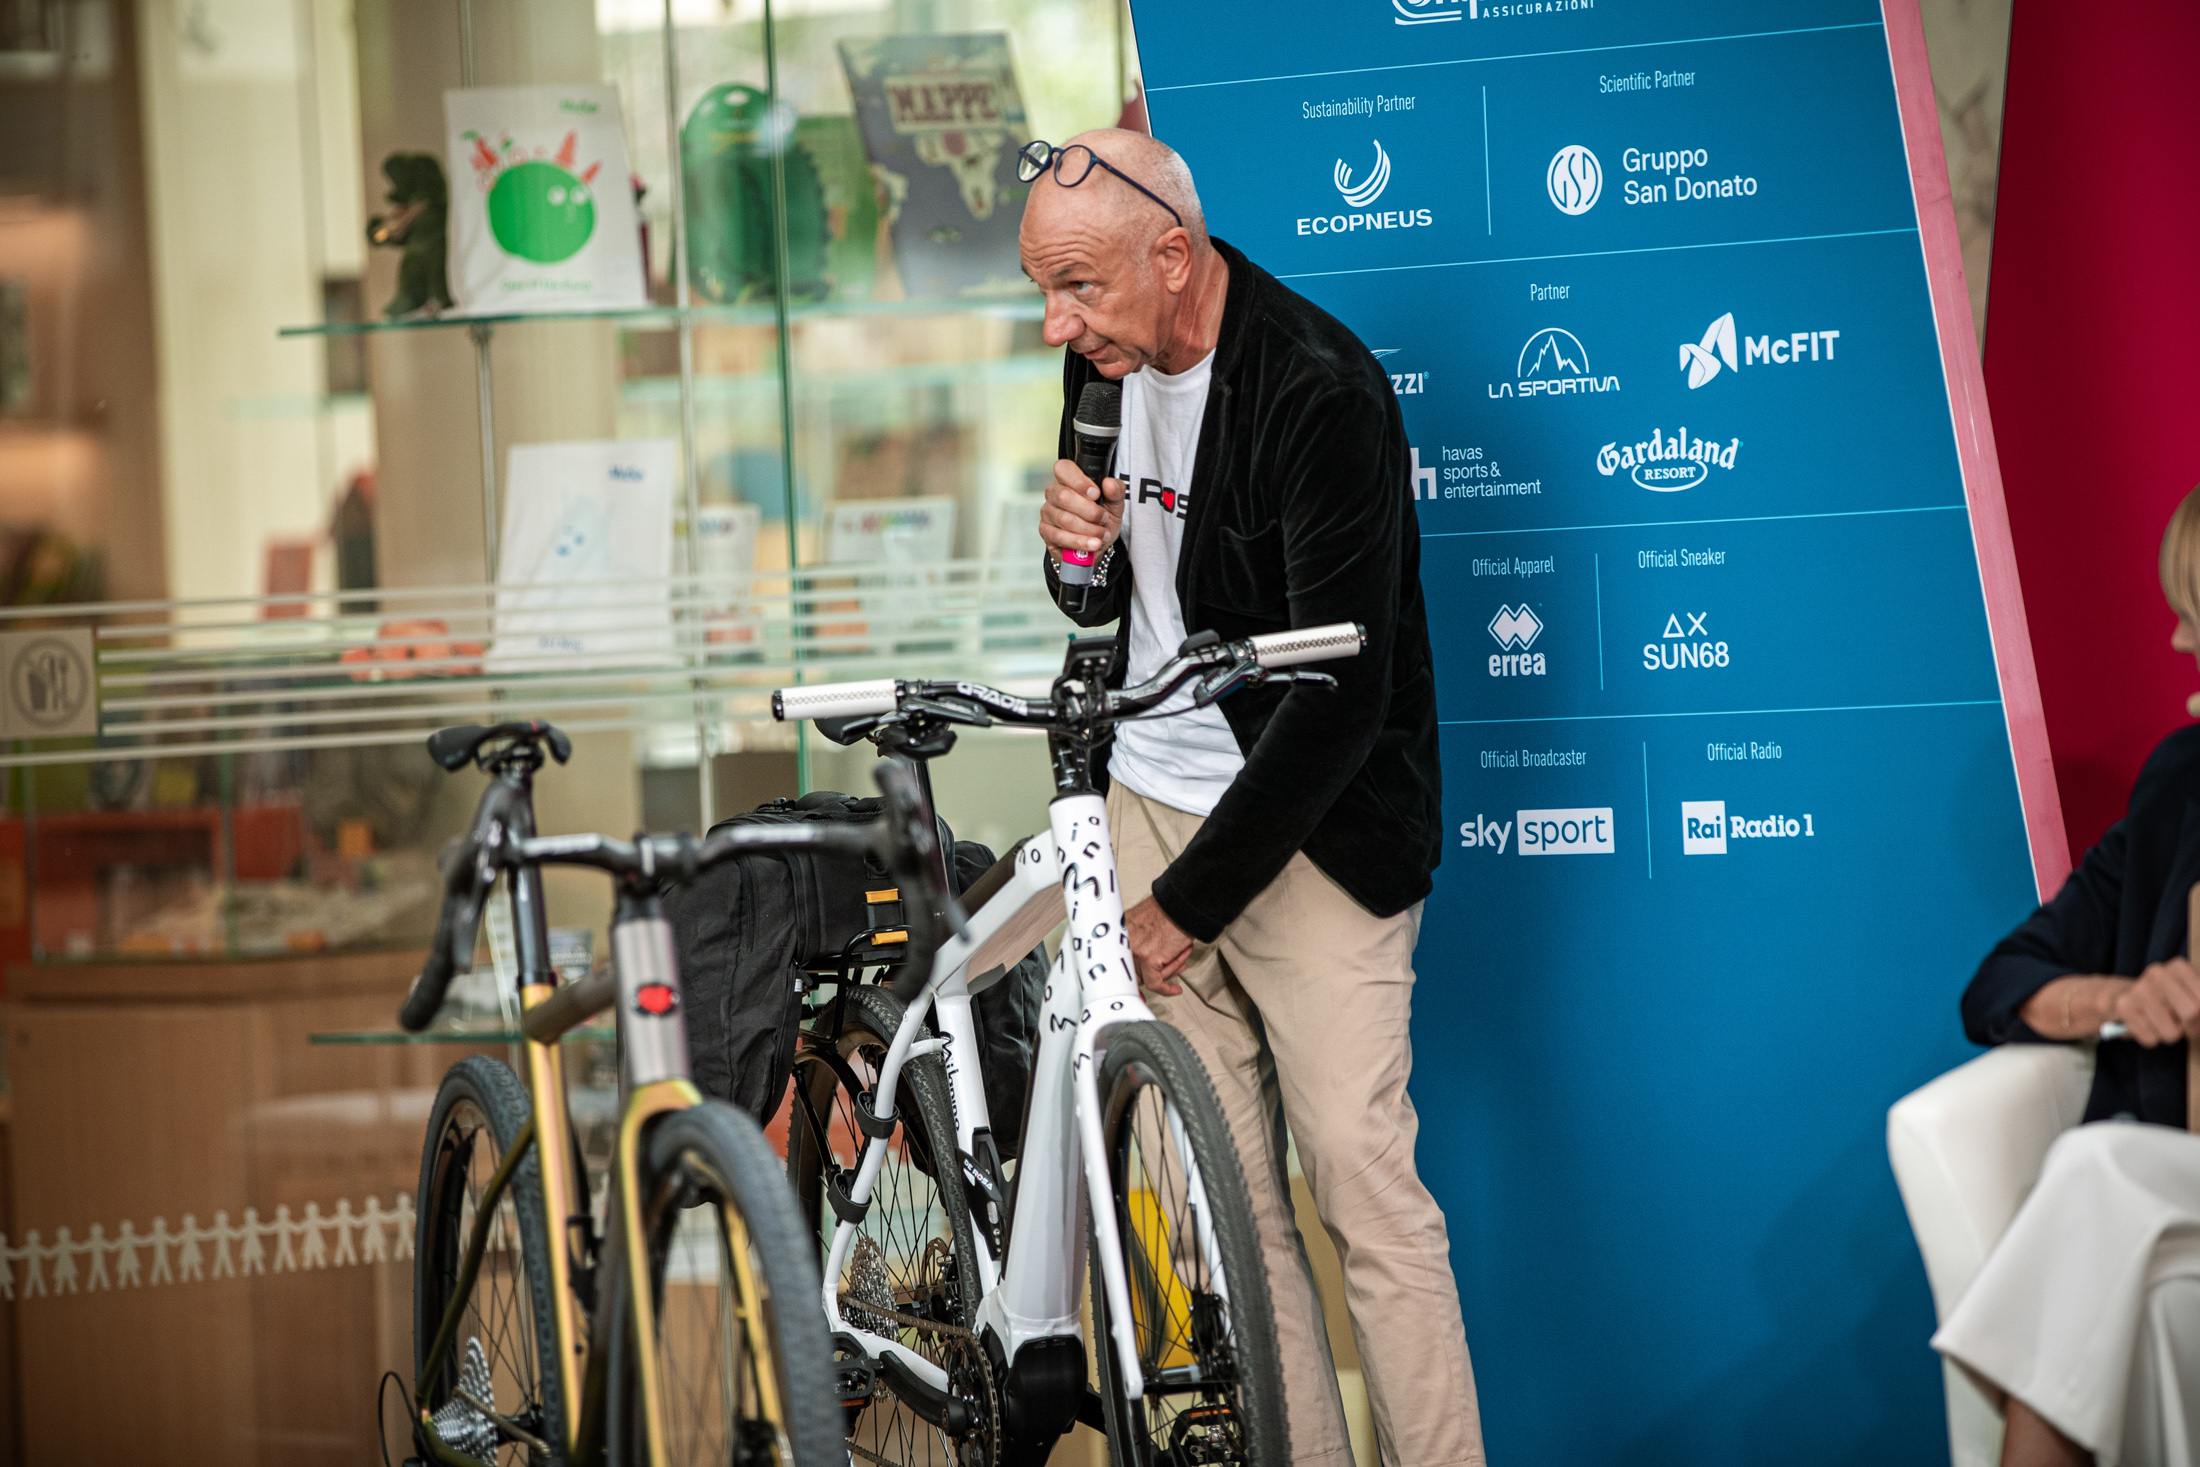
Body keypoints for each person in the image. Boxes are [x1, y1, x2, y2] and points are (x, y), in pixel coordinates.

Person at [1023, 129, 1483, 1467]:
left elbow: (1337, 695)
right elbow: (1100, 607)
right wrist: (1071, 553)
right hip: (1146, 798)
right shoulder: (1102, 354)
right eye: (1046, 290)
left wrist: (1187, 903)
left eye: (1081, 288)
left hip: (1312, 831)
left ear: (1176, 255)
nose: (1058, 323)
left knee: (1362, 1184)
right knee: (1229, 1211)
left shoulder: (1319, 389)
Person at [1940, 486, 2200, 1467]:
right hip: (2167, 1165)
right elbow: (2000, 983)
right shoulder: (2178, 783)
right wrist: (2122, 1000)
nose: (2177, 641)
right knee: (2094, 1169)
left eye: (2192, 610)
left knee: (2092, 1171)